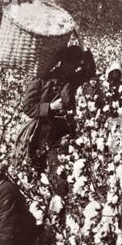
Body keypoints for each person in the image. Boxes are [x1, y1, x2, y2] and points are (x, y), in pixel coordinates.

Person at [20, 45, 94, 198]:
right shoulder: (43, 79)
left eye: (75, 65)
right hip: (44, 134)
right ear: (62, 62)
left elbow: (89, 72)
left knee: (66, 171)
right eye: (70, 64)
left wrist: (88, 55)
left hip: (65, 132)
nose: (73, 68)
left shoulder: (72, 79)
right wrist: (50, 107)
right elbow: (27, 107)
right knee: (46, 175)